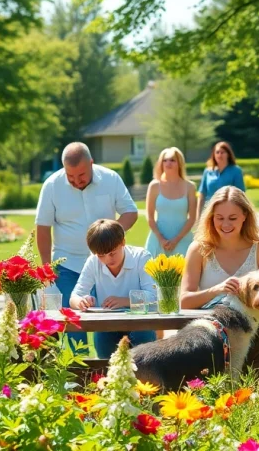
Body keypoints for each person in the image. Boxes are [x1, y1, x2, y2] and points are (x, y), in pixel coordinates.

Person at [36, 142, 138, 349]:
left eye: (81, 175)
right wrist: (46, 270)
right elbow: (43, 228)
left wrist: (112, 237)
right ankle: (75, 376)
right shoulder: (52, 185)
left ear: (91, 163)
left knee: (108, 324)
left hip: (106, 265)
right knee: (73, 328)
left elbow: (130, 212)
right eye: (70, 176)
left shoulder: (110, 179)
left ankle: (109, 372)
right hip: (67, 265)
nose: (76, 181)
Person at [70, 219, 157, 357]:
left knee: (144, 359)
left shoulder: (141, 257)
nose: (108, 259)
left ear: (123, 242)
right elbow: (75, 296)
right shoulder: (93, 261)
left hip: (139, 322)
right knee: (105, 363)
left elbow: (153, 296)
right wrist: (81, 302)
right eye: (101, 255)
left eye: (112, 253)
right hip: (107, 325)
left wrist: (125, 301)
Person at [180, 186, 259, 309]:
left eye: (232, 218)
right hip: (207, 325)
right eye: (219, 218)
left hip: (252, 326)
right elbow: (184, 302)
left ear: (245, 216)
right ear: (211, 217)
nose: (225, 224)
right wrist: (216, 290)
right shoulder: (198, 249)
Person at [144, 147, 197, 257]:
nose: (168, 163)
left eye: (172, 160)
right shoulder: (154, 186)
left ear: (179, 163)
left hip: (183, 240)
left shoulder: (190, 187)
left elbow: (192, 218)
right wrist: (161, 239)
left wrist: (176, 240)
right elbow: (149, 217)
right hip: (158, 241)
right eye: (165, 160)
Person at [196, 141, 245, 220]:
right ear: (213, 154)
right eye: (217, 152)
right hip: (209, 211)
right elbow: (202, 194)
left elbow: (240, 193)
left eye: (223, 152)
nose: (220, 155)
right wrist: (198, 215)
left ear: (228, 154)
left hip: (228, 212)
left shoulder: (236, 170)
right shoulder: (208, 171)